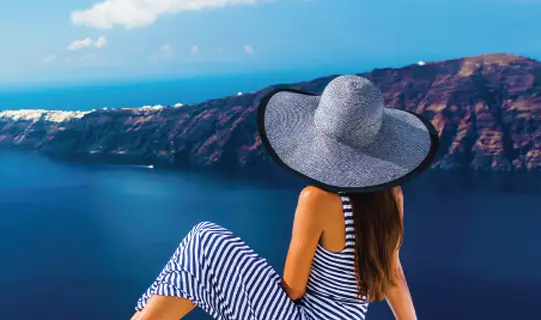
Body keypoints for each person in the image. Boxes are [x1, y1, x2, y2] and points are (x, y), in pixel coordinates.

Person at [130, 75, 438, 320]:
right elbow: (393, 271)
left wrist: (235, 287)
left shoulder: (318, 199)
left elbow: (293, 288)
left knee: (204, 242)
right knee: (194, 263)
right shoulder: (392, 196)